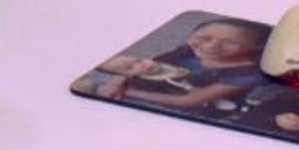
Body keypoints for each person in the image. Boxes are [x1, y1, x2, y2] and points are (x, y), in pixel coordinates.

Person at [102, 17, 272, 114]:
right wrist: (117, 80)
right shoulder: (192, 49)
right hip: (171, 87)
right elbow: (149, 60)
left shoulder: (248, 74)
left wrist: (127, 91)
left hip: (213, 107)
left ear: (256, 47)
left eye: (230, 43)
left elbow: (188, 101)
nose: (211, 46)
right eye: (204, 38)